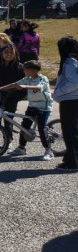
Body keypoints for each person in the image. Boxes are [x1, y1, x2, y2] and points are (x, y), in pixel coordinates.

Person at [0, 60, 53, 159]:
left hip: (44, 107)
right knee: (24, 127)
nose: (23, 71)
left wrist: (24, 86)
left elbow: (38, 88)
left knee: (41, 128)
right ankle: (21, 148)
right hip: (32, 106)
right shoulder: (28, 78)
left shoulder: (43, 78)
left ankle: (48, 151)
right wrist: (1, 88)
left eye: (25, 70)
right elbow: (15, 84)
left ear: (31, 71)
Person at [53, 36, 78, 170]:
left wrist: (59, 92)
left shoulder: (69, 63)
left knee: (69, 133)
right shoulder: (73, 61)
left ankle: (73, 163)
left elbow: (74, 82)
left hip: (70, 101)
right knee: (73, 131)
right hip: (72, 100)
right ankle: (69, 158)